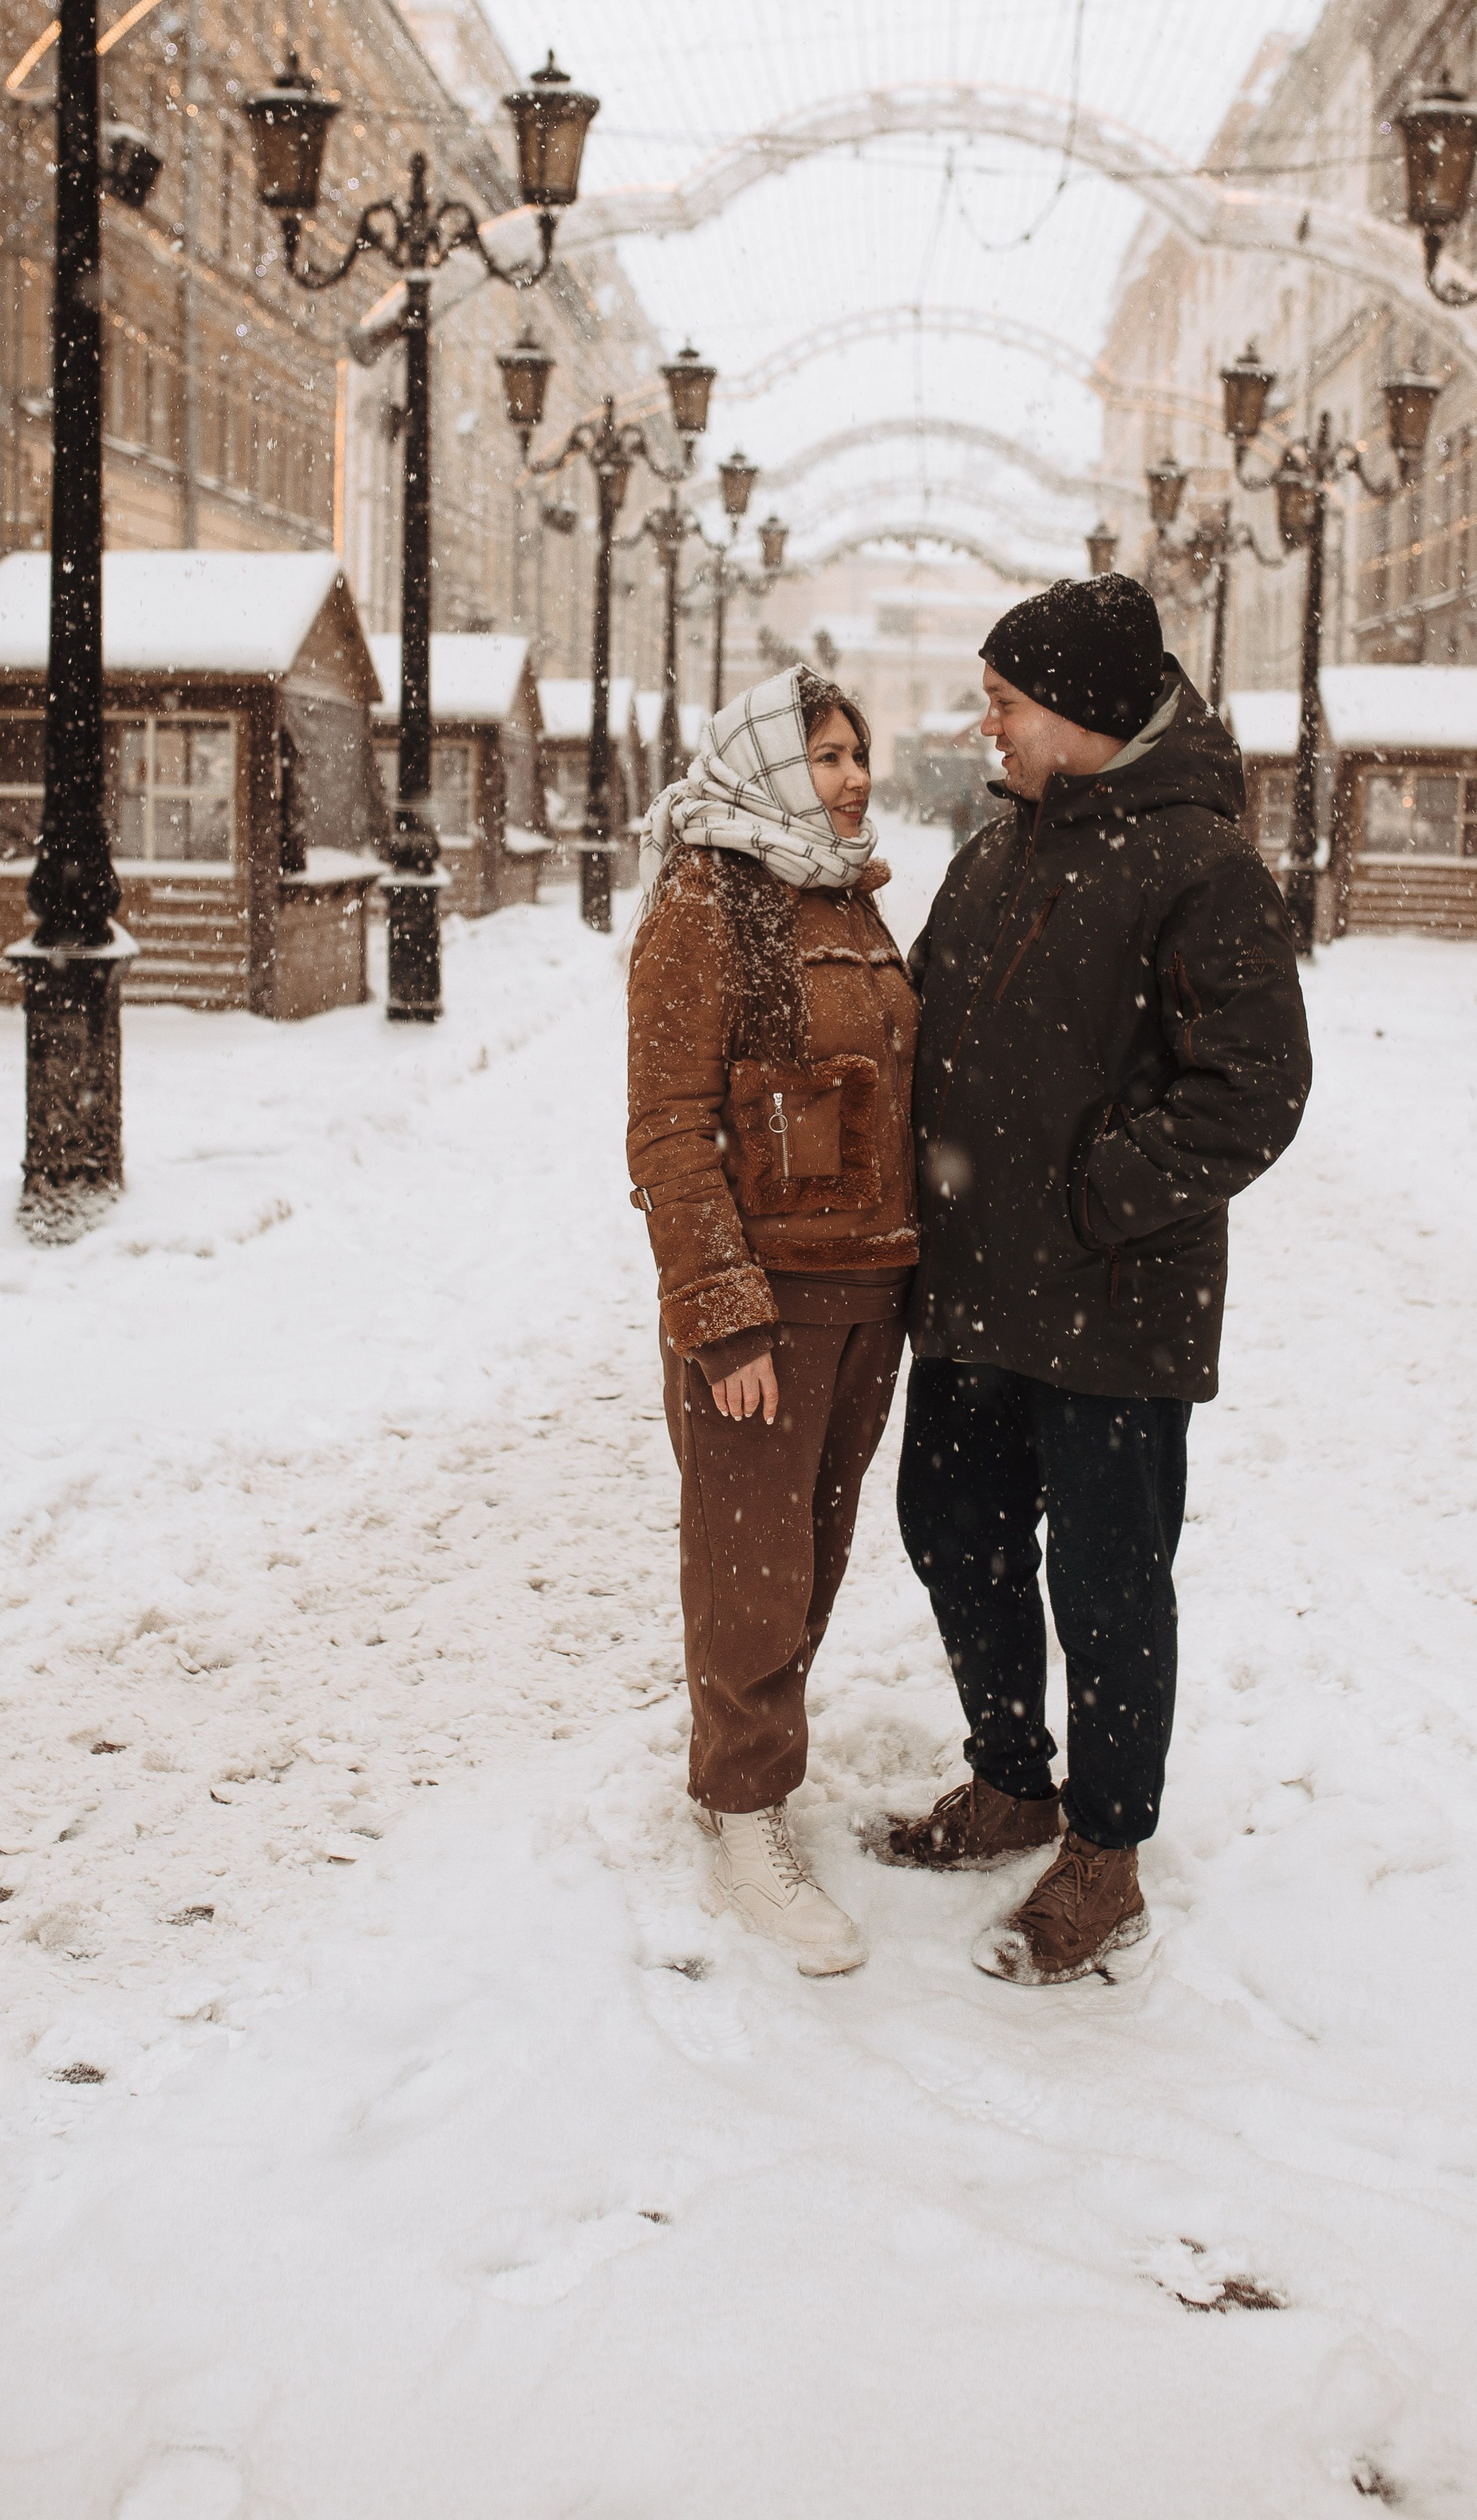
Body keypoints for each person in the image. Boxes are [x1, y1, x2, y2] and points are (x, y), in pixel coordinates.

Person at [875, 574, 1311, 1985]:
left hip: (1116, 1297)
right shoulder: (995, 848)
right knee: (950, 1522)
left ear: (1077, 711)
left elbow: (1254, 1089)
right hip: (978, 1286)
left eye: (1005, 701)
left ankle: (1107, 1851)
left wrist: (1089, 1198)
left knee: (1110, 1580)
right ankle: (1012, 1780)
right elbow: (926, 1010)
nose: (985, 723)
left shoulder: (1202, 863)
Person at [628, 666, 918, 1976]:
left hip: (870, 1293)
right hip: (772, 1301)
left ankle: (758, 1775)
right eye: (825, 756)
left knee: (810, 1549)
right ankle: (743, 1811)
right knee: (748, 1561)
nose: (853, 777)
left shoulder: (851, 895)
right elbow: (672, 1128)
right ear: (763, 763)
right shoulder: (710, 901)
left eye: (859, 752)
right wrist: (723, 1320)